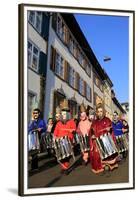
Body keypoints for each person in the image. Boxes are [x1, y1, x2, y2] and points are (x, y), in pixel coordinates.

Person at [90, 104, 118, 174]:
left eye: (101, 111)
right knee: (96, 154)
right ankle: (100, 167)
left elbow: (111, 129)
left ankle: (107, 165)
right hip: (97, 141)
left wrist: (109, 129)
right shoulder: (94, 122)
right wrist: (92, 135)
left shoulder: (107, 120)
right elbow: (91, 131)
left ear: (103, 112)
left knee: (107, 153)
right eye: (98, 111)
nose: (100, 113)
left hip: (105, 140)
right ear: (96, 112)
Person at [53, 99, 76, 174]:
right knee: (61, 155)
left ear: (68, 114)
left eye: (65, 114)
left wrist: (72, 130)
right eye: (62, 114)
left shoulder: (71, 121)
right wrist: (55, 137)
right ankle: (64, 167)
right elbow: (56, 132)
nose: (63, 115)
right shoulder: (59, 123)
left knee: (67, 156)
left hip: (68, 141)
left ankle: (65, 168)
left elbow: (74, 129)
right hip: (60, 141)